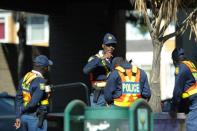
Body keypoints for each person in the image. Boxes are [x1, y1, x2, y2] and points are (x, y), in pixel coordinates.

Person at [14, 55, 53, 131]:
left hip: (24, 117)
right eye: (47, 66)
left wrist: (18, 116)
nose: (48, 68)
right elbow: (33, 103)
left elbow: (18, 98)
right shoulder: (41, 82)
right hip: (35, 118)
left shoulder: (25, 78)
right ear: (44, 68)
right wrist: (22, 109)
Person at [83, 33, 117, 107]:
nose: (111, 47)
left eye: (113, 45)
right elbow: (86, 70)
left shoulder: (114, 60)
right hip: (99, 96)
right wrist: (102, 58)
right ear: (103, 46)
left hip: (112, 95)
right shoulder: (95, 58)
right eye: (108, 45)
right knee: (97, 118)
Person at [169, 48, 197, 131]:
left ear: (174, 61)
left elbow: (177, 90)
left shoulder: (180, 68)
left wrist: (173, 108)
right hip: (194, 99)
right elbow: (189, 85)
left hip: (195, 101)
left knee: (191, 124)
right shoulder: (190, 64)